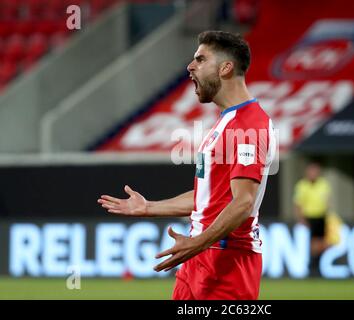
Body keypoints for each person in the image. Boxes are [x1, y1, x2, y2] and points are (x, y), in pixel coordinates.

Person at [98, 30, 276, 300]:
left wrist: (196, 244)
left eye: (201, 59)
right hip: (198, 261)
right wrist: (149, 208)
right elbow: (208, 199)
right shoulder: (225, 122)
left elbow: (243, 203)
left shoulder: (251, 124)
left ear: (226, 68)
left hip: (227, 264)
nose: (191, 66)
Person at [293, 162, 331, 270]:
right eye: (311, 171)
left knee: (321, 242)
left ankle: (318, 262)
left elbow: (327, 201)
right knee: (310, 243)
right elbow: (298, 204)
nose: (313, 174)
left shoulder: (324, 184)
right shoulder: (302, 185)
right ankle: (312, 264)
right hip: (308, 218)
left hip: (321, 217)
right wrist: (301, 219)